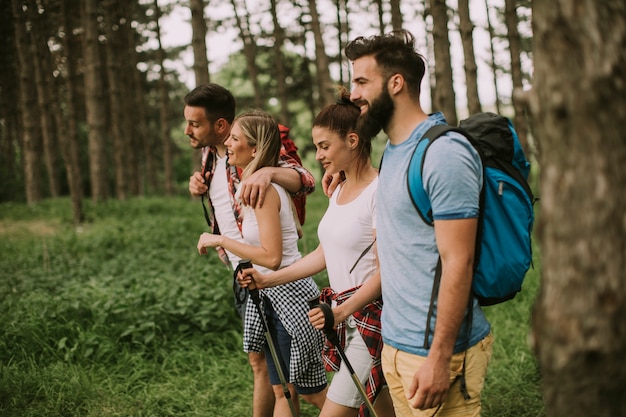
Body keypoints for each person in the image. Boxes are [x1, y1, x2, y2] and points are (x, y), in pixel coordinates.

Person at [342, 30, 494, 416]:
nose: (352, 93)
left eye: (361, 81)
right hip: (396, 344)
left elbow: (459, 261)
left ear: (396, 84)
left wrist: (439, 359)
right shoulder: (394, 151)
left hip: (437, 352)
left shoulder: (443, 153)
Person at [239, 88, 395, 417]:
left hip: (370, 320)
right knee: (381, 410)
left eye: (324, 146)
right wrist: (268, 281)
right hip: (342, 315)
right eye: (317, 146)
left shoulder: (378, 191)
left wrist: (340, 312)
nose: (318, 154)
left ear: (352, 140)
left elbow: (386, 273)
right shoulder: (337, 187)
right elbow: (325, 253)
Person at [184, 83, 316, 417]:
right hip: (243, 270)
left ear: (220, 125)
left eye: (195, 123)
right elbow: (226, 208)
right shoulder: (210, 159)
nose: (188, 130)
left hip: (273, 271)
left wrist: (268, 170)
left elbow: (306, 180)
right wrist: (197, 185)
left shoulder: (253, 154)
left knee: (286, 375)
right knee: (266, 364)